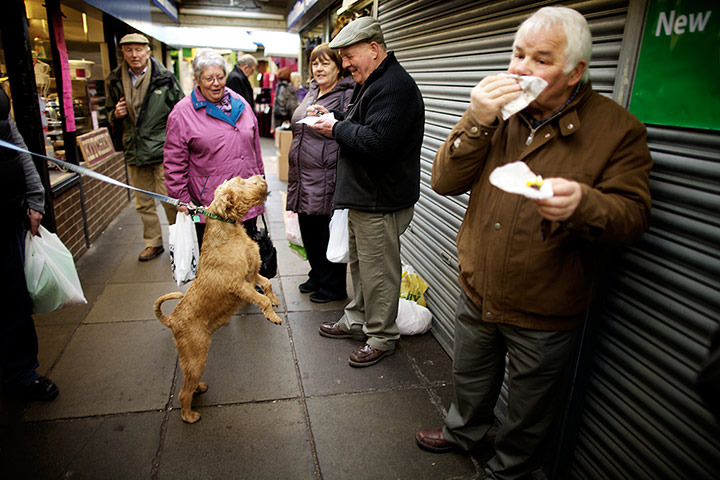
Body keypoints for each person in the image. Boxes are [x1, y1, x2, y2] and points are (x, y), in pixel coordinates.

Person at [415, 7, 653, 479]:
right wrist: (477, 119)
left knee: (529, 406)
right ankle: (465, 431)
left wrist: (584, 204)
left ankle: (511, 468)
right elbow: (443, 180)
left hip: (547, 303)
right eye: (517, 54)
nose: (520, 68)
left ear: (575, 72)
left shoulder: (618, 131)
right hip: (479, 285)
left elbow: (632, 217)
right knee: (471, 374)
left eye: (540, 59)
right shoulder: (499, 114)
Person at [309, 17, 425, 367]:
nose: (345, 65)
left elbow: (378, 142)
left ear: (374, 49)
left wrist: (336, 128)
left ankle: (382, 336)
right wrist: (335, 116)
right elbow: (363, 122)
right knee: (361, 268)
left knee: (379, 272)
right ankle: (357, 319)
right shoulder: (373, 80)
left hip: (380, 199)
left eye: (348, 56)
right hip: (365, 196)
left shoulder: (394, 86)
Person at [164, 49, 265, 250]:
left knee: (248, 256)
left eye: (220, 77)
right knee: (219, 263)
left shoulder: (240, 103)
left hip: (244, 199)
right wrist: (181, 199)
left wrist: (260, 182)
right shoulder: (182, 113)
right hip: (211, 205)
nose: (216, 83)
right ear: (197, 79)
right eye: (209, 78)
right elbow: (174, 162)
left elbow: (255, 148)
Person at [0, 88, 58, 401]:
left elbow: (16, 143)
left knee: (14, 300)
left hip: (7, 215)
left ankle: (21, 374)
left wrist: (36, 198)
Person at [105, 33, 184, 261]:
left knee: (169, 200)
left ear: (148, 52)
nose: (134, 55)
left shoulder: (165, 78)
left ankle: (178, 242)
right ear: (123, 53)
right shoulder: (114, 80)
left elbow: (181, 110)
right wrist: (114, 114)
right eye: (129, 50)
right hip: (135, 151)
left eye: (139, 50)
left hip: (162, 150)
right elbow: (108, 112)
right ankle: (153, 243)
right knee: (143, 203)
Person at [287, 43, 354, 304]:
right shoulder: (312, 92)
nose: (319, 68)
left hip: (326, 174)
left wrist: (333, 116)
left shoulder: (346, 93)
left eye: (325, 63)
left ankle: (334, 286)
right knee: (310, 231)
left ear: (338, 67)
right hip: (303, 175)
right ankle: (317, 275)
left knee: (326, 233)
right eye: (315, 63)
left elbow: (350, 123)